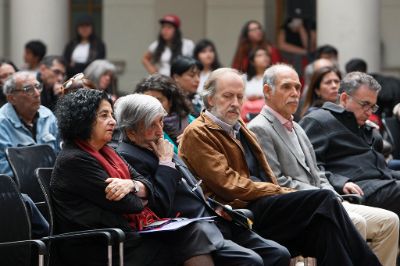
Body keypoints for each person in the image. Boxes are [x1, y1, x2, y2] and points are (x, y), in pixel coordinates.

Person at [179, 67, 380, 265]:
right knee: (324, 198)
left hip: (261, 204)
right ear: (210, 99)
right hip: (235, 212)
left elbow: (267, 172)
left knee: (324, 229)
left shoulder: (237, 126)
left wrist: (279, 192)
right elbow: (229, 185)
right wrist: (279, 191)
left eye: (240, 97)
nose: (235, 103)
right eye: (228, 96)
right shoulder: (198, 132)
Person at [51, 88, 229, 266]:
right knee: (190, 241)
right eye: (104, 115)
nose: (113, 121)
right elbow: (131, 204)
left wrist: (132, 185)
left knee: (194, 234)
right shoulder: (74, 160)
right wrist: (139, 189)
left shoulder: (108, 152)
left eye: (112, 115)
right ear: (83, 119)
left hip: (126, 235)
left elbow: (144, 185)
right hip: (100, 246)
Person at [247, 64, 399, 266]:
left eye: (297, 87)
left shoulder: (296, 127)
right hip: (299, 205)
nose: (294, 93)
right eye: (286, 87)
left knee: (389, 222)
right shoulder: (260, 127)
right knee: (357, 222)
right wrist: (324, 195)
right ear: (267, 91)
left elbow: (317, 172)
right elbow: (277, 181)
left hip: (325, 197)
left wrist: (331, 194)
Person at [115, 93, 291, 266]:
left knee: (279, 254)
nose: (160, 131)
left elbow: (192, 187)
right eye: (151, 125)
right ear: (131, 132)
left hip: (213, 217)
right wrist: (166, 163)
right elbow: (160, 203)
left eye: (160, 121)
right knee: (251, 261)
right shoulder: (128, 156)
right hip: (189, 231)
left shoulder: (158, 145)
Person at [299, 71, 400, 221]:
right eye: (365, 104)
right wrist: (340, 182)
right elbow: (307, 166)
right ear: (345, 98)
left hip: (381, 183)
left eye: (373, 107)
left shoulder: (365, 127)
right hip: (356, 189)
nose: (369, 112)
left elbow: (382, 169)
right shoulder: (319, 120)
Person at [1, 71, 57, 238]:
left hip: (52, 188)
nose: (37, 93)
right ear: (11, 98)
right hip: (19, 193)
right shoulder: (1, 123)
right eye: (28, 89)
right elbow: (3, 168)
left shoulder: (48, 116)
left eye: (37, 86)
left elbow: (60, 154)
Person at [135, 74, 194, 153]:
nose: (153, 105)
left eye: (159, 100)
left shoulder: (192, 122)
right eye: (147, 100)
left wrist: (195, 143)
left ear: (170, 102)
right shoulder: (142, 130)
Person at [241, 47, 271, 122]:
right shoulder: (244, 78)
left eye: (266, 55)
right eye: (260, 55)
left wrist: (255, 98)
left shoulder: (274, 78)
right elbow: (240, 97)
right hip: (245, 115)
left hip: (267, 115)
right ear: (252, 61)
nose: (265, 57)